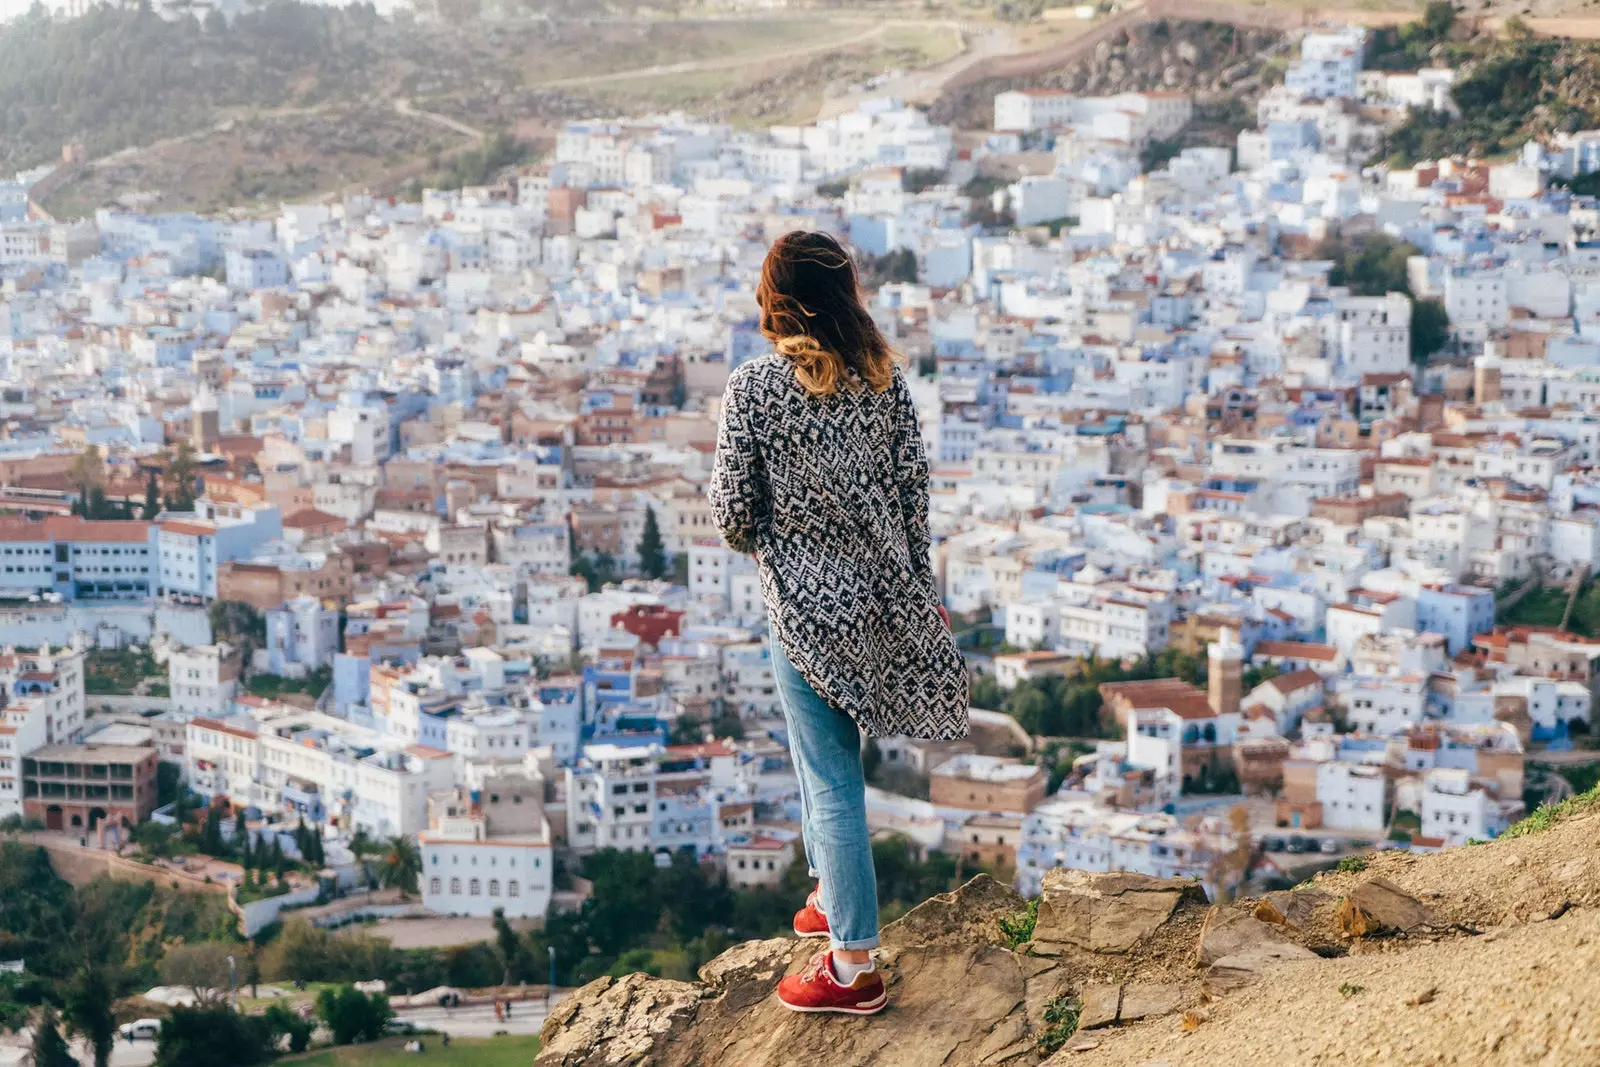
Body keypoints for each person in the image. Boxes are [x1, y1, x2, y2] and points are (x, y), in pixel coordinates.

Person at [709, 229, 969, 1016]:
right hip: (882, 605)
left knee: (829, 777)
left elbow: (731, 513)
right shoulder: (883, 384)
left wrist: (780, 541)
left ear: (777, 299)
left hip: (806, 611)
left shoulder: (755, 389)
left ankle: (852, 962)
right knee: (819, 757)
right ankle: (827, 891)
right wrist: (914, 583)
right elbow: (911, 500)